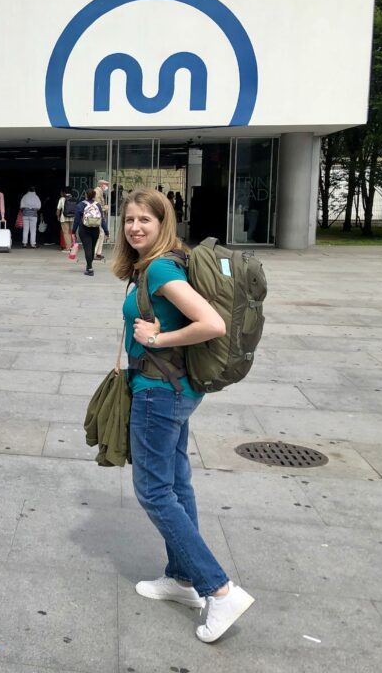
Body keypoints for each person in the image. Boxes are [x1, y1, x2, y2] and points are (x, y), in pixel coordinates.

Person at [112, 187, 254, 643]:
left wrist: (156, 341)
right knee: (176, 483)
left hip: (158, 392)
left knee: (154, 491)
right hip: (174, 389)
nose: (135, 227)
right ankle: (182, 578)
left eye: (145, 221)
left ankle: (219, 588)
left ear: (163, 224)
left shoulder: (159, 268)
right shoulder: (159, 262)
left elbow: (213, 324)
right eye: (130, 219)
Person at [72, 188, 108, 276]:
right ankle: (89, 266)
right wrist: (106, 231)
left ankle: (90, 268)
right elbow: (102, 220)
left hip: (84, 229)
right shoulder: (98, 205)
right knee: (92, 248)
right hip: (95, 229)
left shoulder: (80, 205)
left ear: (86, 195)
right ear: (94, 196)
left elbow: (76, 220)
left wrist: (73, 231)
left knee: (87, 248)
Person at [94, 178, 111, 260]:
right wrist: (105, 208)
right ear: (101, 185)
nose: (106, 187)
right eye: (106, 185)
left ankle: (98, 253)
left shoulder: (100, 192)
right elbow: (97, 205)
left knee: (101, 234)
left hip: (100, 215)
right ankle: (95, 253)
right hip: (97, 216)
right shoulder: (97, 192)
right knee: (99, 234)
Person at [56, 187, 74, 251]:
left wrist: (58, 216)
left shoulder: (62, 199)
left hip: (64, 218)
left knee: (66, 233)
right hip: (72, 218)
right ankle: (71, 246)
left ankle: (68, 248)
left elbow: (58, 209)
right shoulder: (73, 198)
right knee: (70, 232)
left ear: (64, 192)